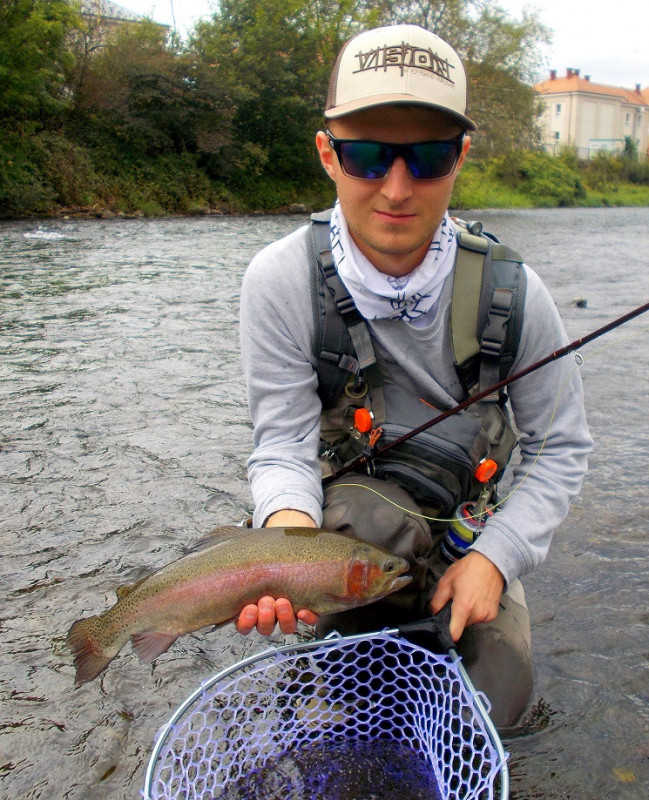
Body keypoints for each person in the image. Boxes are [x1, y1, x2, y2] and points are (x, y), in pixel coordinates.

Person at [236, 23, 592, 731]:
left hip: (468, 543)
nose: (396, 189)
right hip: (347, 545)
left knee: (492, 718)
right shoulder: (278, 280)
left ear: (459, 158)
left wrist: (496, 559)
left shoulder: (514, 293)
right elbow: (281, 447)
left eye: (426, 158)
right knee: (337, 721)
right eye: (366, 156)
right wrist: (286, 549)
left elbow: (560, 449)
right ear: (327, 154)